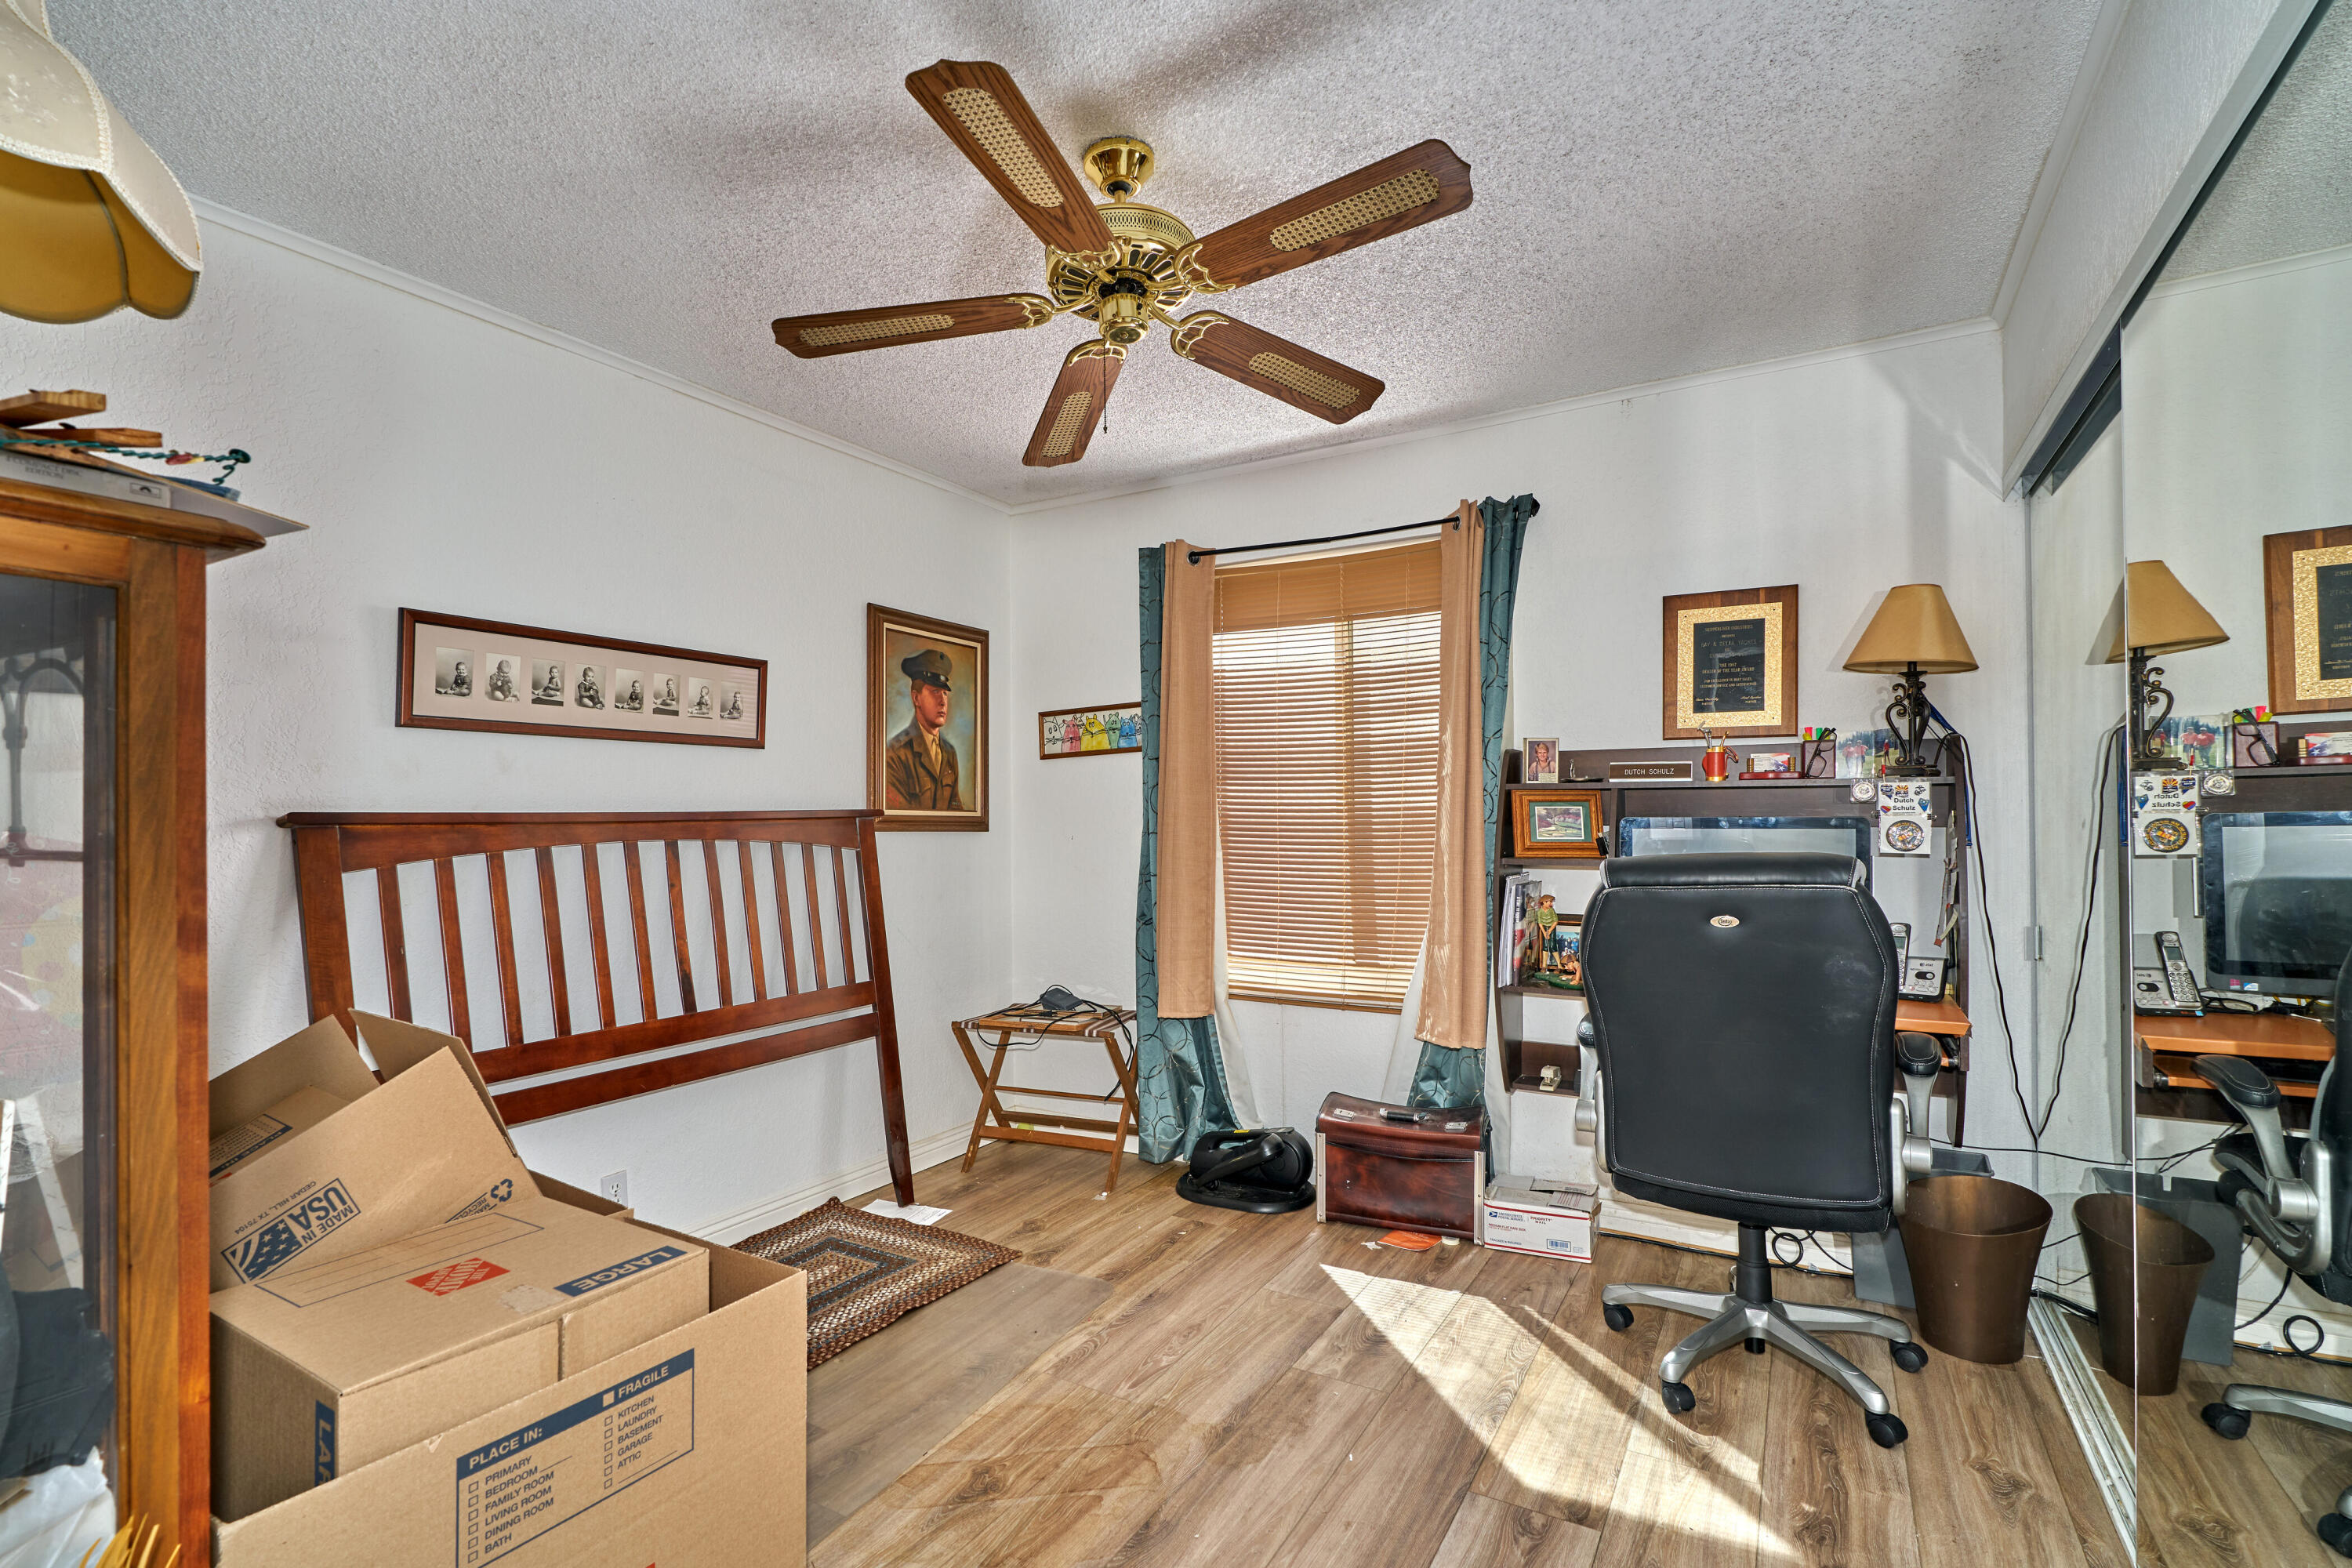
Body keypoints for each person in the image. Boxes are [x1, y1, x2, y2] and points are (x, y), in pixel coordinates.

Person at [885, 648, 964, 811]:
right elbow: (898, 817)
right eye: (935, 691)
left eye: (945, 694)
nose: (943, 701)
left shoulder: (949, 753)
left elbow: (956, 812)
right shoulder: (896, 752)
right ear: (916, 698)